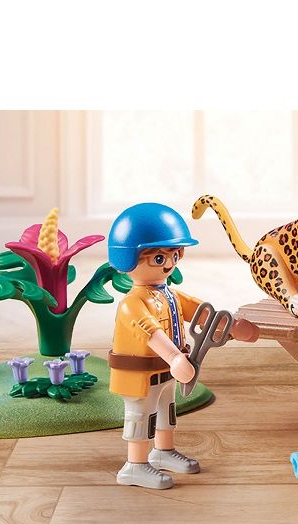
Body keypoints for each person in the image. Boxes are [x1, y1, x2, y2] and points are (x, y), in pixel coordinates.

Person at [107, 203, 258, 489]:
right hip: (140, 376)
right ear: (128, 258)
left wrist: (231, 326)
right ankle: (134, 465)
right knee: (141, 416)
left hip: (167, 372)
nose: (169, 263)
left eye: (174, 255)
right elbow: (150, 333)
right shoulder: (132, 304)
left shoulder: (169, 295)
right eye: (159, 257)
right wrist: (175, 357)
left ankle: (163, 451)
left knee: (166, 410)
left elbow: (201, 312)